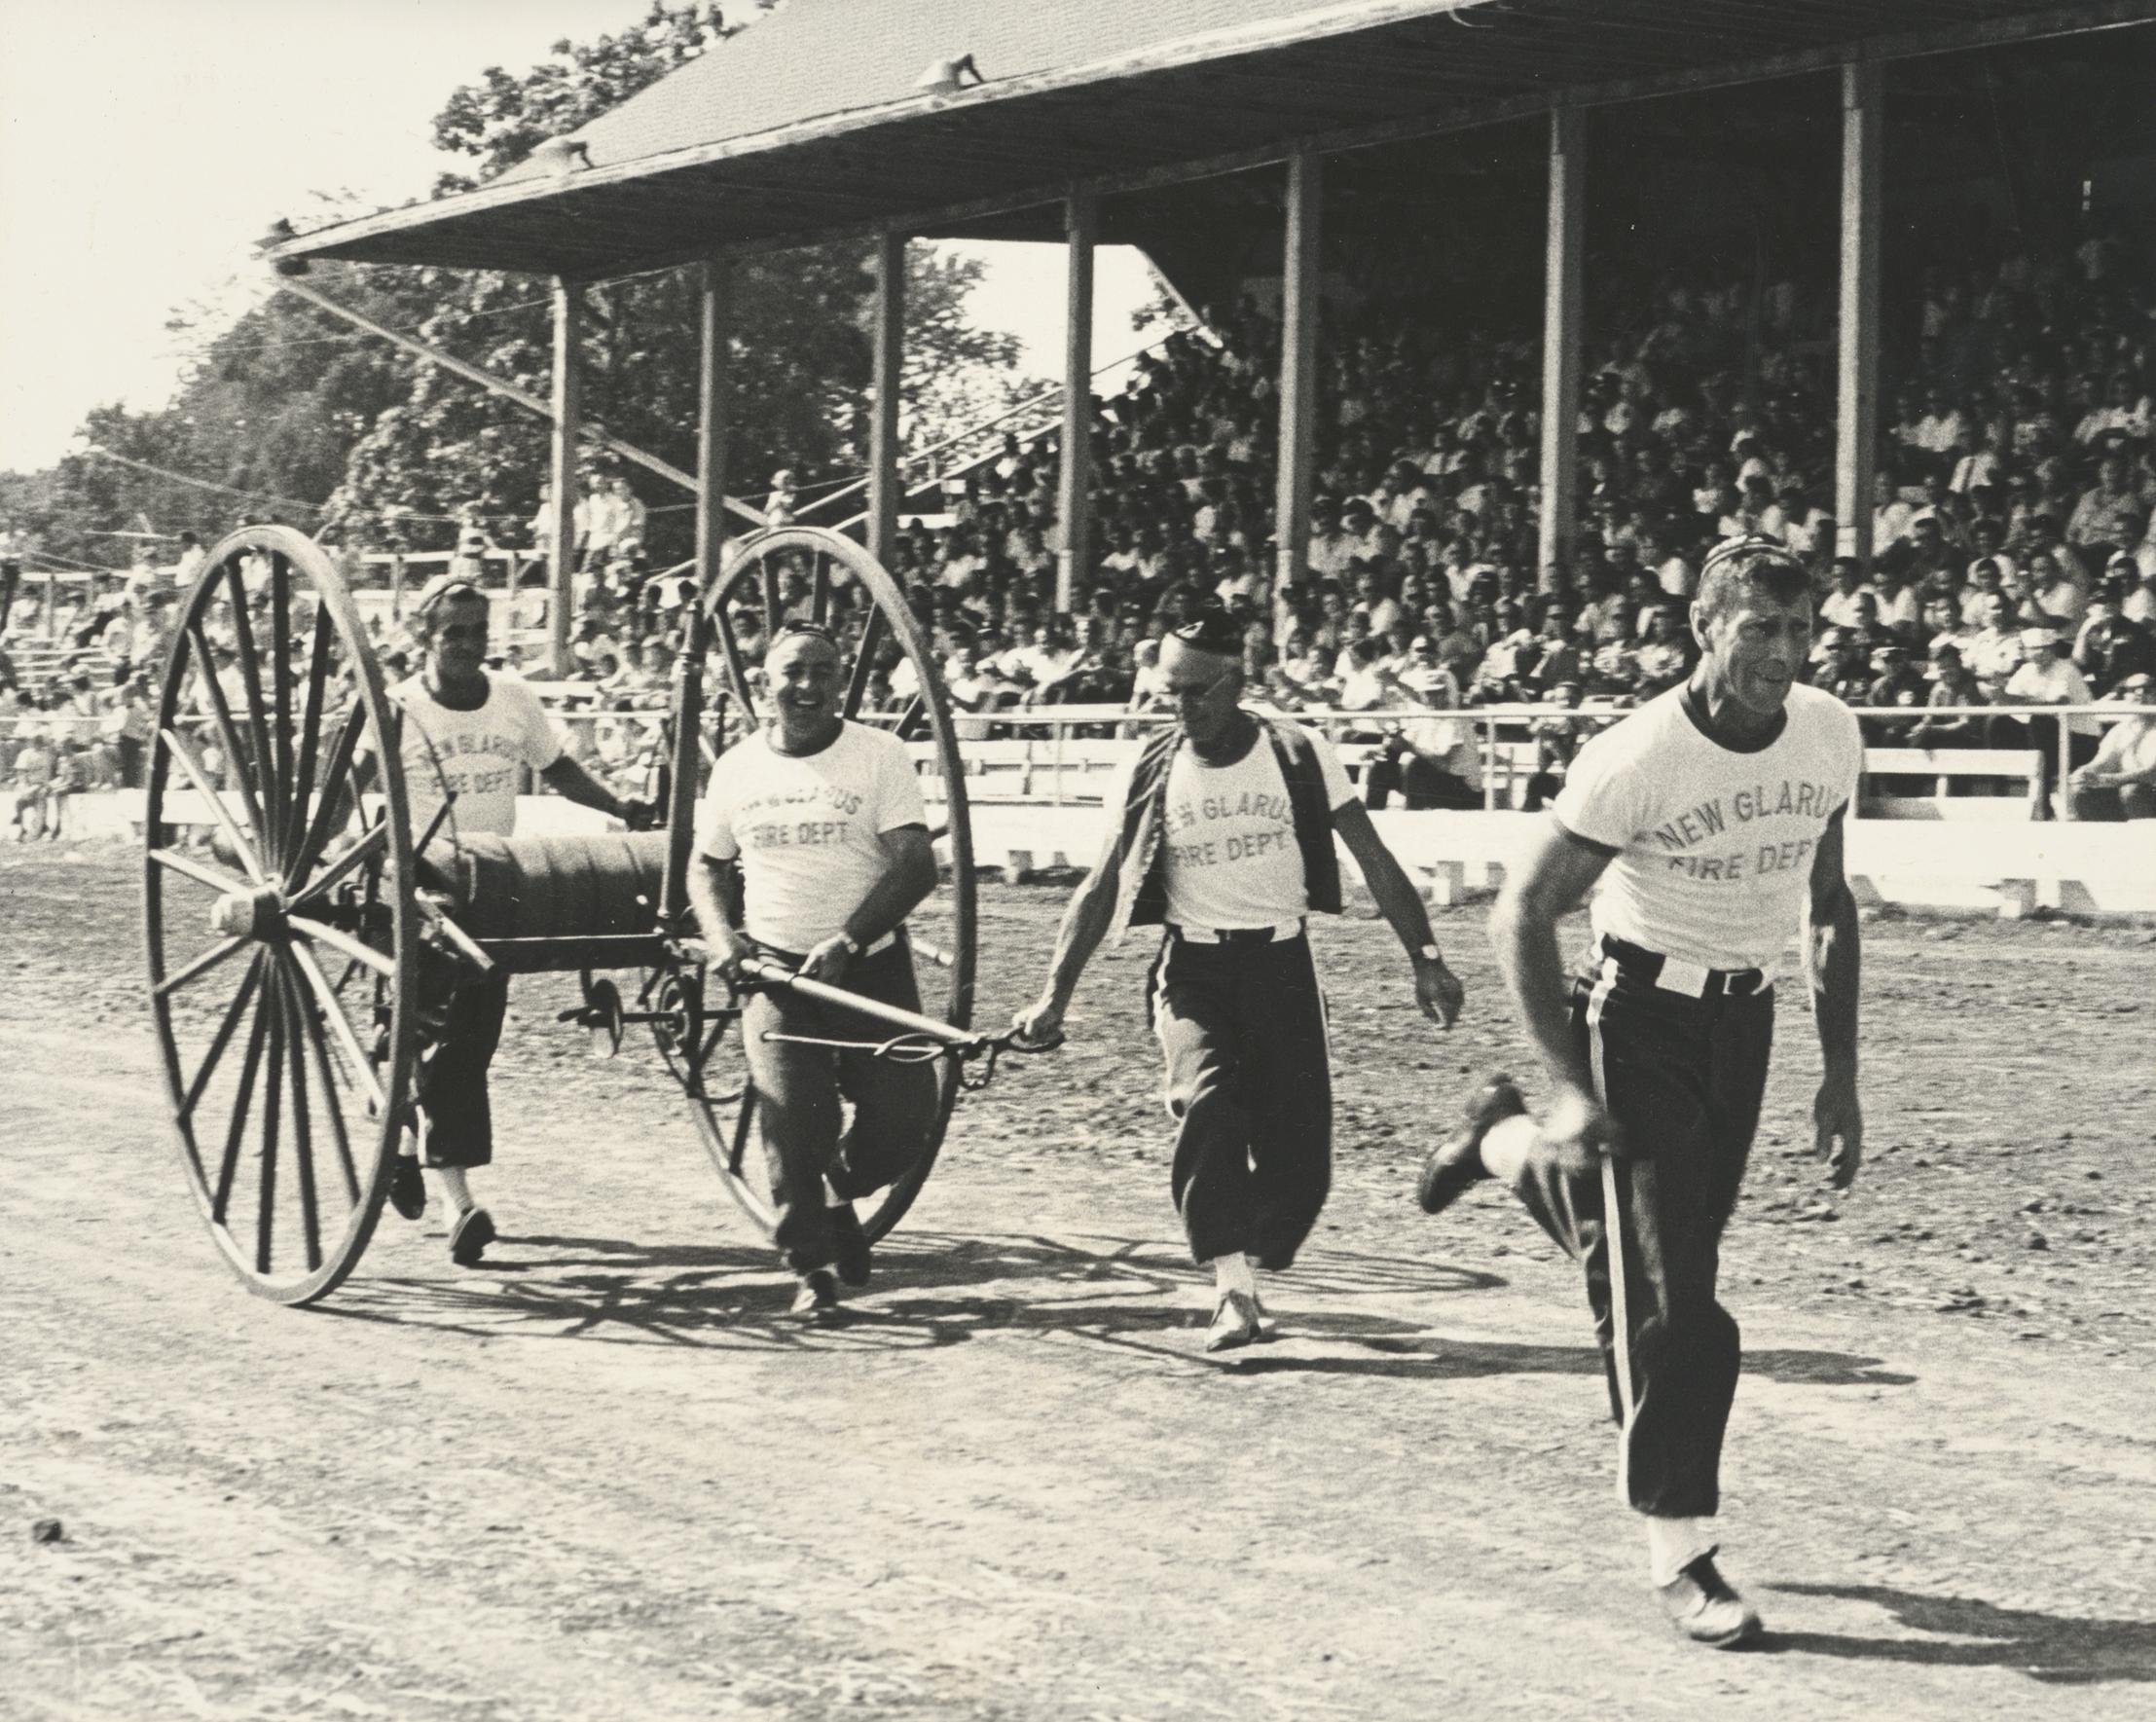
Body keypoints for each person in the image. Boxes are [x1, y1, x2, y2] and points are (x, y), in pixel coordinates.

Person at [1412, 536, 1864, 1649]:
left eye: (1799, 629)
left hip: (1741, 1023)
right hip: (1636, 1018)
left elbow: (1825, 900)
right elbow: (1519, 911)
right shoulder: (1637, 755)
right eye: (1759, 627)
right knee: (1676, 1302)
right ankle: (1681, 1546)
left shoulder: (1827, 732)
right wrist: (1572, 1083)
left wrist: (1840, 1072)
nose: (1782, 653)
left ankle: (1501, 1141)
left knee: (1657, 1256)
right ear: (1703, 627)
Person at [1010, 607, 1465, 1352]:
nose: (1181, 707)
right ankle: (1231, 1289)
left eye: (1196, 691)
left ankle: (1250, 1264)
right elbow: (1099, 886)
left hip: (1283, 967)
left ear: (1237, 681)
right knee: (1211, 1104)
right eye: (1168, 691)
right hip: (1193, 968)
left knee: (1300, 1168)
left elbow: (1371, 856)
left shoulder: (1296, 752)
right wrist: (1053, 994)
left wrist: (1423, 954)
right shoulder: (1149, 766)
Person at [369, 577, 653, 1264]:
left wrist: (622, 809)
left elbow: (556, 769)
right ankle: (457, 1201)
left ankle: (401, 1144)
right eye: (453, 632)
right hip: (417, 889)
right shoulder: (397, 709)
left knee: (466, 1042)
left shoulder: (515, 700)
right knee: (426, 1033)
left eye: (477, 630)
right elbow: (347, 786)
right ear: (423, 637)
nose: (468, 644)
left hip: (493, 889)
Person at [686, 621, 942, 1317]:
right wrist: (721, 939)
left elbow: (916, 862)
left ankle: (834, 1192)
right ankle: (812, 1270)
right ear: (764, 682)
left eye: (822, 673)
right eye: (791, 672)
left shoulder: (877, 755)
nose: (806, 688)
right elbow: (705, 864)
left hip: (868, 968)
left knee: (904, 1120)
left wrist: (849, 941)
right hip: (774, 973)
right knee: (793, 1119)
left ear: (840, 681)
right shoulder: (738, 766)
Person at [2065, 672, 2156, 821]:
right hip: (2126, 789)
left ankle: (2144, 840)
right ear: (2126, 696)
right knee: (2082, 790)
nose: (2140, 693)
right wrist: (2086, 772)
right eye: (2132, 690)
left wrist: (2110, 779)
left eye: (2147, 688)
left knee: (2132, 790)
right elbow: (2104, 761)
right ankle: (2100, 841)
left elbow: (2151, 773)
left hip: (2145, 791)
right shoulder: (2120, 729)